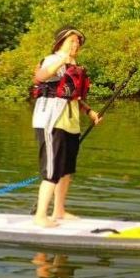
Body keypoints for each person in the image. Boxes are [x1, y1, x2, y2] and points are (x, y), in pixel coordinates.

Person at [31, 26, 101, 227]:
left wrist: (89, 112)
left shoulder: (75, 64)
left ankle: (59, 210)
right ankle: (40, 216)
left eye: (78, 42)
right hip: (51, 121)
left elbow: (72, 96)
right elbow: (40, 77)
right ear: (61, 42)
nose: (76, 44)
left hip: (70, 123)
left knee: (66, 169)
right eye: (72, 41)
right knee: (52, 170)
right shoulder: (52, 59)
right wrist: (62, 61)